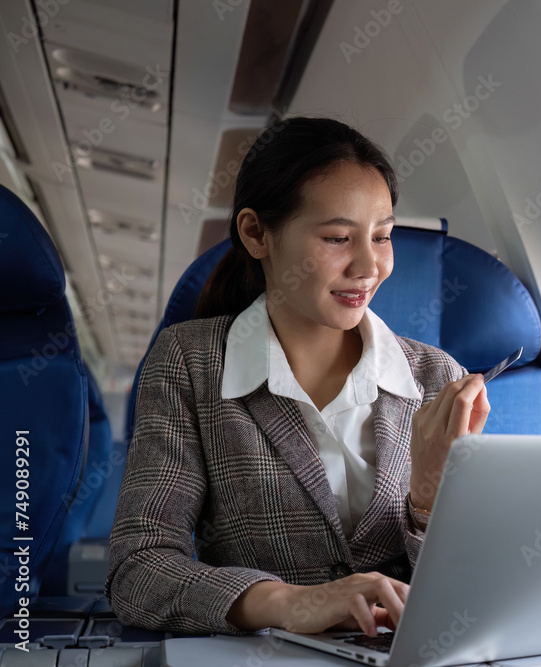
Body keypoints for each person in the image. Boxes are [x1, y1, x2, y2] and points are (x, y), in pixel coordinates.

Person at [105, 117, 489, 637]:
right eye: (336, 238)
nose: (368, 266)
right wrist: (287, 603)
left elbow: (480, 587)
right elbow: (139, 569)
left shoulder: (437, 376)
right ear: (256, 233)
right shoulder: (190, 364)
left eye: (382, 237)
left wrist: (429, 493)